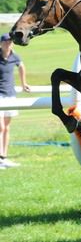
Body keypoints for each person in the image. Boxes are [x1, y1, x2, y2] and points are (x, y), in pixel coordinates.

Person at [0, 33, 30, 169]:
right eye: (5, 42)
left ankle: (3, 157)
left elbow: (22, 66)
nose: (8, 44)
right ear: (1, 43)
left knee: (6, 128)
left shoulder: (15, 56)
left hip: (10, 95)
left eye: (10, 42)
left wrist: (24, 84)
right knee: (0, 127)